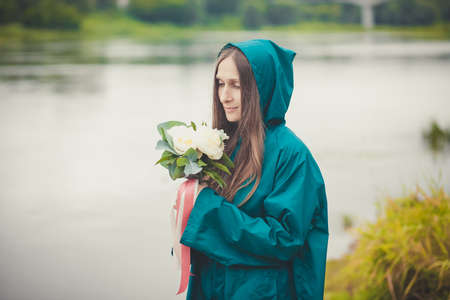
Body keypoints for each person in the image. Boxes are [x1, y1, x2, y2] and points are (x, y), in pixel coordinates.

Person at [179, 39, 329, 300]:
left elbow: (284, 239)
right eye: (220, 84)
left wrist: (208, 208)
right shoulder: (222, 145)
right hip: (214, 287)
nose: (224, 96)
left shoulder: (292, 155)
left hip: (262, 292)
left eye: (236, 85)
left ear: (261, 86)